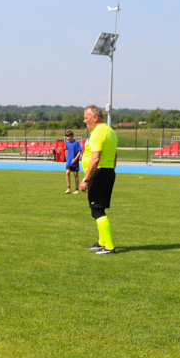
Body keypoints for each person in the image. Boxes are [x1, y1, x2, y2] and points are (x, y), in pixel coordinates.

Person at [79, 105, 118, 254]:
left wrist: (86, 179)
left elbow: (95, 159)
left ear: (95, 117)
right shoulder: (110, 131)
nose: (84, 121)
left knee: (97, 210)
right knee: (97, 208)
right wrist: (110, 171)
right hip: (107, 172)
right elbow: (115, 155)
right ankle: (102, 242)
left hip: (99, 173)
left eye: (86, 118)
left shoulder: (97, 133)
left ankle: (109, 246)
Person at [63, 130, 82, 194]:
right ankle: (68, 188)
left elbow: (80, 151)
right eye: (67, 136)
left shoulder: (76, 142)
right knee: (67, 172)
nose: (68, 137)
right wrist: (65, 151)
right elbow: (67, 149)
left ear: (72, 136)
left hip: (75, 161)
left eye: (69, 136)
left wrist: (75, 159)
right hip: (69, 160)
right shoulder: (67, 143)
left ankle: (77, 189)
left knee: (75, 174)